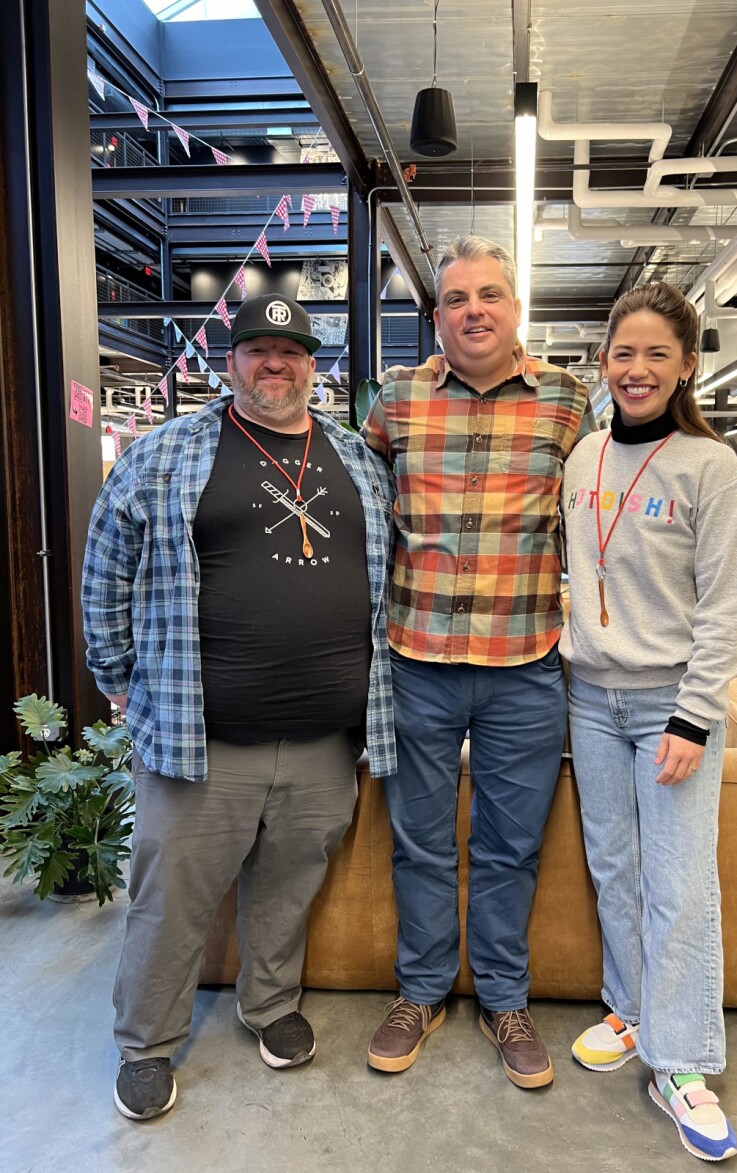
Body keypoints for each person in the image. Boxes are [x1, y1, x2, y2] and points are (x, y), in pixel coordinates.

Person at [82, 293, 396, 1120]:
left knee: (289, 886)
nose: (275, 365)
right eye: (258, 349)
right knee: (171, 894)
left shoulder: (358, 461)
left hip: (327, 737)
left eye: (291, 352)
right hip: (201, 739)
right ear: (231, 362)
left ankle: (269, 1005)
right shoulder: (165, 453)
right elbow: (106, 566)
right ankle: (145, 1042)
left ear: (312, 366)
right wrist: (113, 672)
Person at [361, 235, 594, 1089]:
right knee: (419, 842)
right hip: (415, 659)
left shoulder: (569, 401)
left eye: (489, 295)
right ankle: (419, 992)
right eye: (457, 299)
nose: (474, 311)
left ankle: (503, 998)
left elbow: (593, 516)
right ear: (436, 316)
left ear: (515, 309)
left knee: (508, 845)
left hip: (526, 662)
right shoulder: (396, 398)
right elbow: (365, 505)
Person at [561, 282, 737, 1162]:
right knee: (615, 865)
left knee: (680, 881)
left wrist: (695, 716)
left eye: (655, 355)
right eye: (622, 353)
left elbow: (723, 609)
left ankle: (681, 1061)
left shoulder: (712, 469)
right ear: (603, 361)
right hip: (587, 695)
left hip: (670, 701)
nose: (636, 370)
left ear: (686, 366)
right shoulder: (584, 457)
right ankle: (633, 1011)